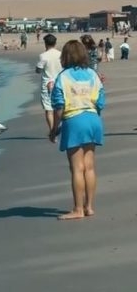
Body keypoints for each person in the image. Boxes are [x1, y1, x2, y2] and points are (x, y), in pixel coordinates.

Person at [48, 39, 105, 221]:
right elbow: (100, 101)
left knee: (77, 168)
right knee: (89, 166)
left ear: (65, 57)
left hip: (74, 120)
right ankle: (89, 206)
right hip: (93, 119)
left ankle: (78, 209)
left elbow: (59, 107)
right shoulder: (92, 74)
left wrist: (54, 129)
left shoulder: (63, 77)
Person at [35, 33, 62, 132]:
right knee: (58, 106)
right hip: (60, 82)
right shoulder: (61, 54)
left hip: (47, 83)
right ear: (55, 43)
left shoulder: (43, 56)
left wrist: (38, 68)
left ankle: (52, 130)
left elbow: (38, 70)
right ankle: (57, 127)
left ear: (45, 43)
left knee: (49, 109)